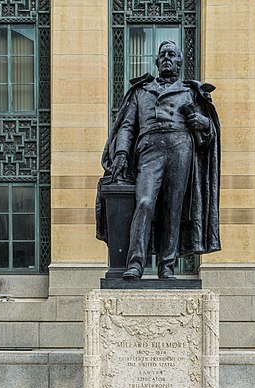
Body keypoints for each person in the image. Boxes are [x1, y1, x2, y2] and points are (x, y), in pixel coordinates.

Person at [97, 40, 221, 280]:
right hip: (149, 150)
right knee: (144, 202)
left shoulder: (191, 92)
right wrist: (121, 152)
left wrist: (204, 124)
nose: (167, 58)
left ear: (179, 62)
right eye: (163, 54)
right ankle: (135, 264)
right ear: (156, 61)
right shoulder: (141, 92)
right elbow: (126, 127)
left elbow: (208, 134)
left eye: (171, 55)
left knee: (173, 209)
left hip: (180, 148)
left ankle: (167, 266)